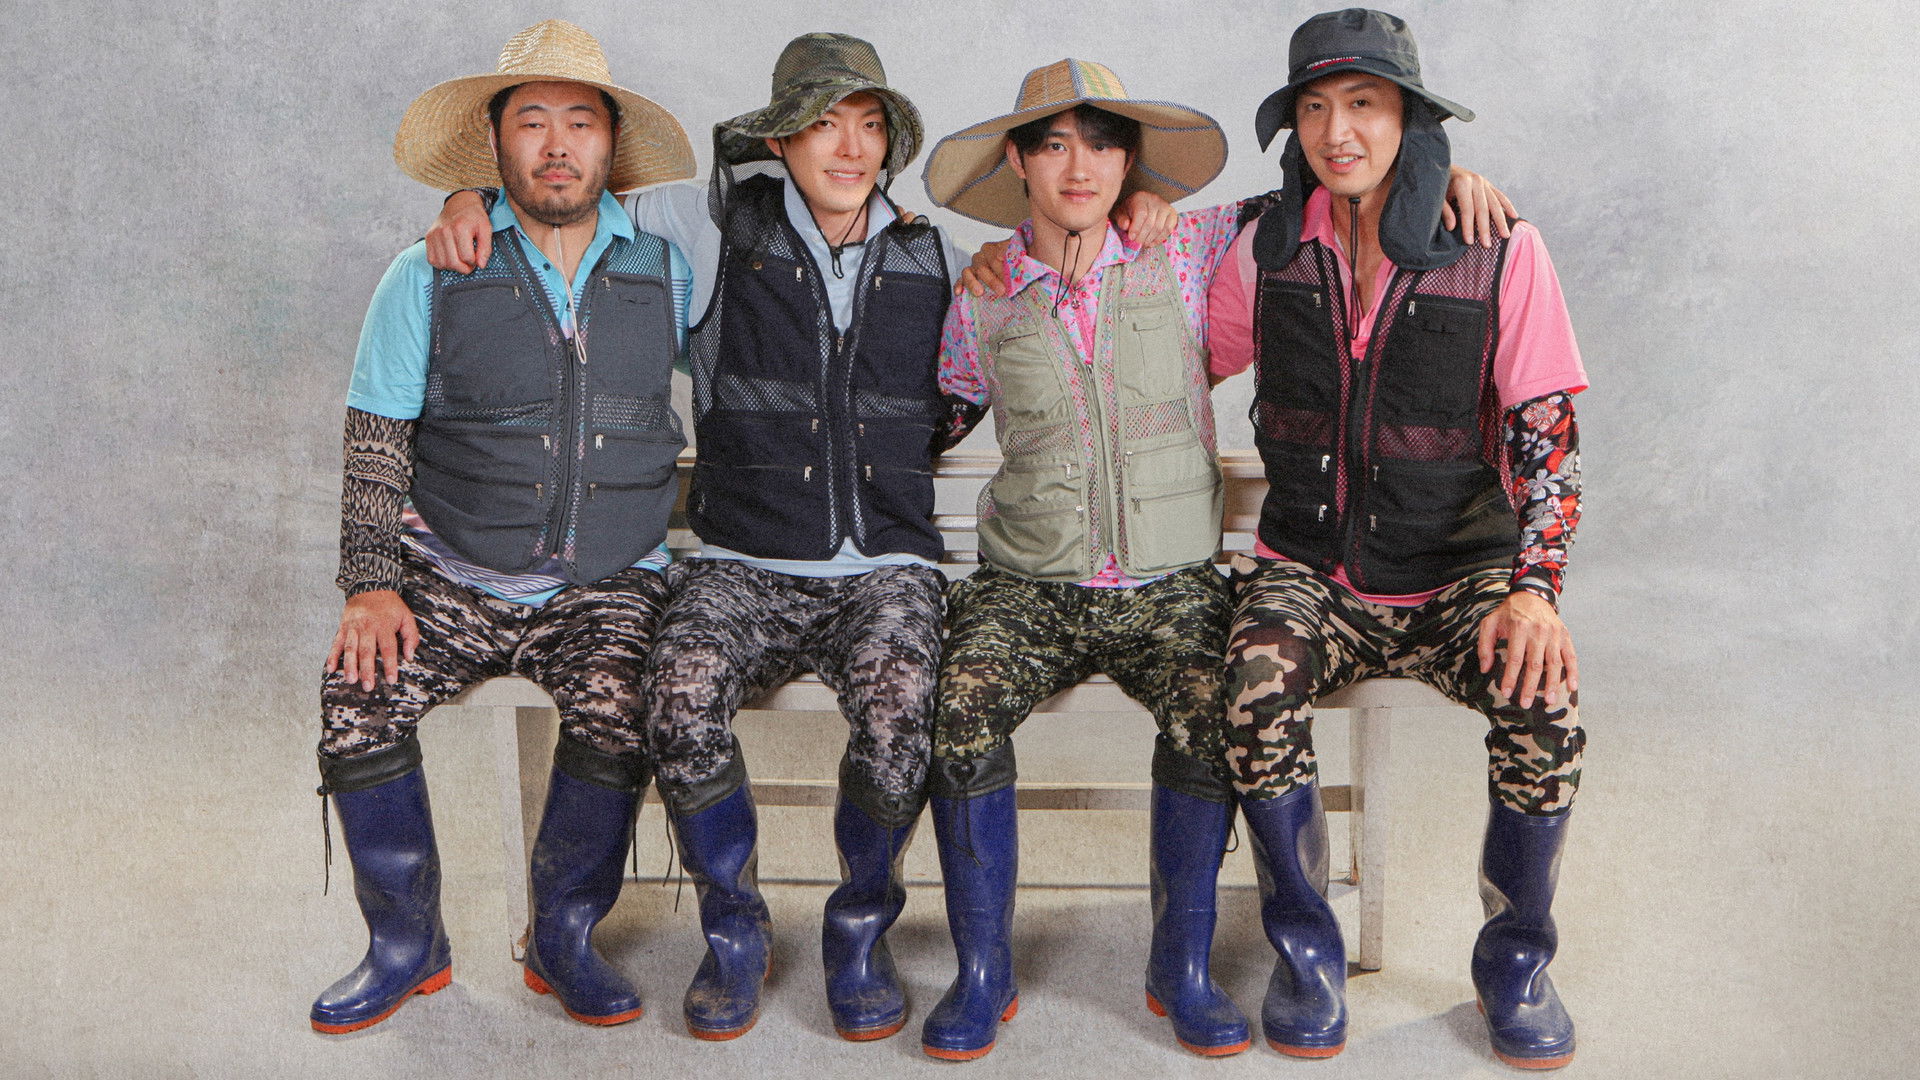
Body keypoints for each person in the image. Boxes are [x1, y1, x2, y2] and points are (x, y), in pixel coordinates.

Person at [1208, 8, 1587, 1068]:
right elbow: (1165, 321)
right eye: (1315, 109)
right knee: (1250, 686)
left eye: (1365, 105)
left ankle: (1516, 965)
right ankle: (1308, 957)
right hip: (1309, 570)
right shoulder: (1263, 246)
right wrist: (1143, 209)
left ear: (1412, 118)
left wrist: (1535, 588)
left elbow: (1551, 443)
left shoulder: (1499, 248)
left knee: (1546, 705)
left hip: (1461, 573)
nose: (1338, 132)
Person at [311, 20, 696, 1034]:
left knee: (621, 700)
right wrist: (371, 582)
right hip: (453, 569)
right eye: (532, 122)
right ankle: (406, 945)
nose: (558, 145)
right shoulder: (427, 271)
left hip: (610, 579)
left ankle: (562, 937)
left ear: (612, 144)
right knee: (357, 697)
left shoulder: (670, 269)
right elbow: (377, 434)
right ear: (494, 144)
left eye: (581, 122)